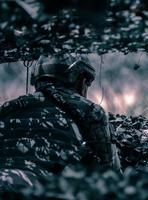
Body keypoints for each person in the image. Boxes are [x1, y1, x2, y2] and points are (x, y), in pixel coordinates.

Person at [0, 54, 121, 190]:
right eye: (87, 82)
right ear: (79, 79)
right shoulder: (91, 111)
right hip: (46, 188)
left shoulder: (7, 108)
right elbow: (112, 173)